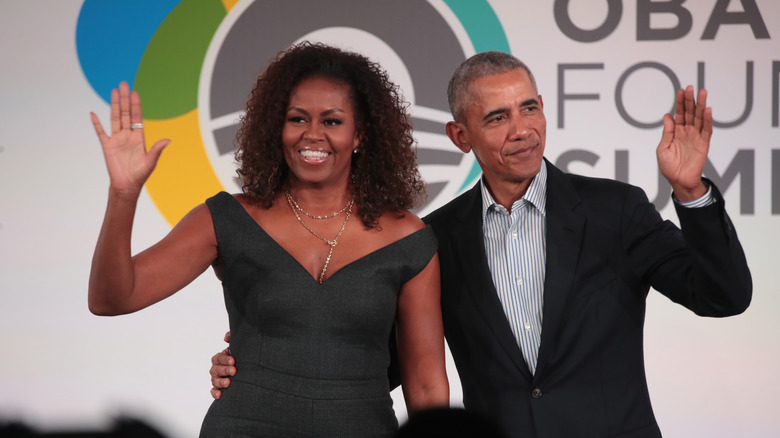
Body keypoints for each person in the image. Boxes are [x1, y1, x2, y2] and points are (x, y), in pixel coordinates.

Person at [210, 51, 752, 437]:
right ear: (460, 136)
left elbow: (723, 296)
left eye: (529, 108)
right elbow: (384, 366)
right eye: (497, 117)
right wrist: (261, 359)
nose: (521, 130)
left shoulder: (616, 210)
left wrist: (691, 193)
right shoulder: (433, 239)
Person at [88, 42, 449, 437]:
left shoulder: (408, 239)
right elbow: (112, 298)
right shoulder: (227, 219)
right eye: (297, 119)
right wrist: (123, 194)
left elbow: (426, 384)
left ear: (360, 134)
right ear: (276, 128)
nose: (312, 134)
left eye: (331, 121)